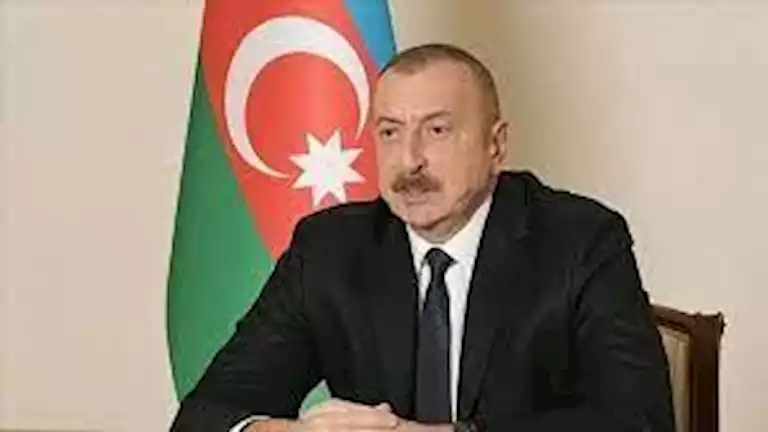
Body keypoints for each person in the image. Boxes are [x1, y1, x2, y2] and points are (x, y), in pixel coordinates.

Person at [171, 43, 674, 432]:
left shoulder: (580, 241)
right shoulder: (329, 250)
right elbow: (206, 414)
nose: (409, 161)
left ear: (496, 144)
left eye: (437, 131)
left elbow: (640, 422)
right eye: (390, 132)